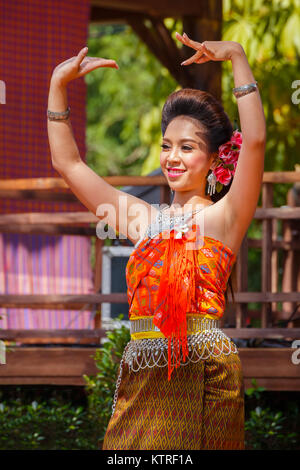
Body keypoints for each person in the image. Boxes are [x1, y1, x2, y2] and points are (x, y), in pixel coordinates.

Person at [47, 32, 266, 450]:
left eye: (187, 147)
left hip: (206, 377)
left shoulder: (225, 218)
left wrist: (237, 56)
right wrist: (57, 87)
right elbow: (69, 164)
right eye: (166, 146)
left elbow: (254, 140)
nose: (172, 157)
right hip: (144, 377)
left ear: (217, 157)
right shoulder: (139, 220)